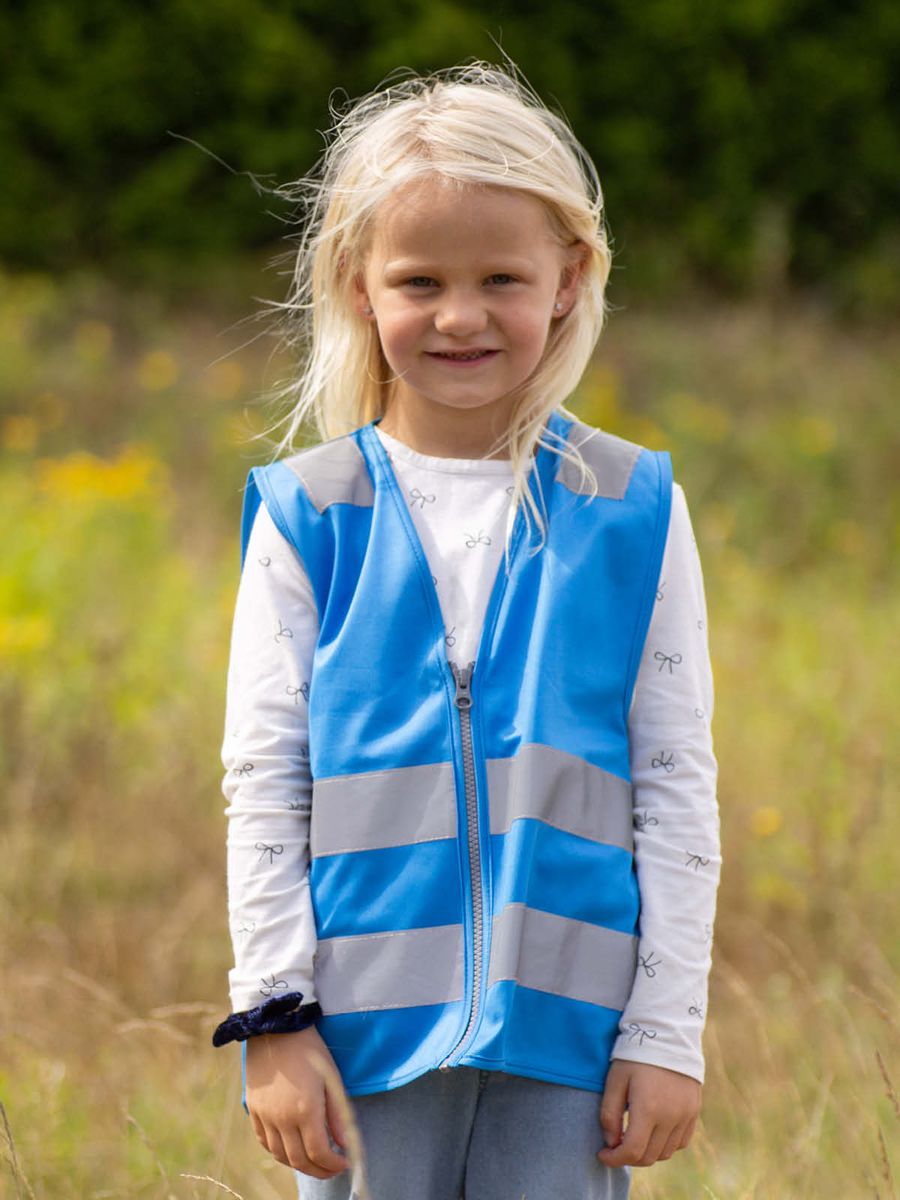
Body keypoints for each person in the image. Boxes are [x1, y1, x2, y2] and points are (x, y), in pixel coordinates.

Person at [213, 61, 721, 1200]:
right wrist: (275, 1018)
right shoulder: (310, 512)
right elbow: (265, 778)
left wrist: (664, 1031)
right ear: (357, 285)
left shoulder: (631, 506)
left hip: (572, 1041)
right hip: (360, 1041)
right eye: (419, 279)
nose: (459, 315)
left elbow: (675, 774)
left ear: (567, 278)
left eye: (501, 276)